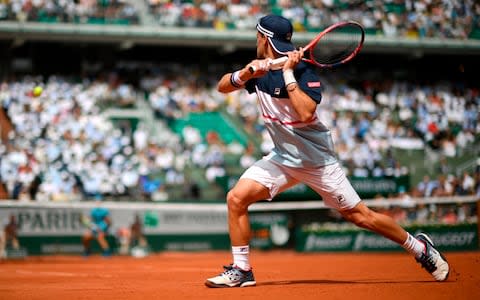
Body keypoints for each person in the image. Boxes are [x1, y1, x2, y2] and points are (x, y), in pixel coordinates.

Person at [205, 14, 449, 288]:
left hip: (317, 162)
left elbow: (307, 111)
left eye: (257, 37)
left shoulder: (303, 72)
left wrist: (286, 73)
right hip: (282, 158)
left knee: (360, 216)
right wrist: (247, 72)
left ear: (264, 38)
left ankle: (420, 249)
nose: (256, 42)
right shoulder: (259, 71)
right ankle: (242, 269)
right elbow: (222, 86)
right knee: (236, 199)